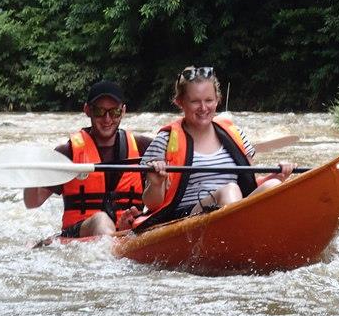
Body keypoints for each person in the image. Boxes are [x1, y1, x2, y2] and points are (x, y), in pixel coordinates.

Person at [137, 66, 294, 229]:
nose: (203, 108)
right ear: (180, 103)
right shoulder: (165, 141)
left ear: (217, 99)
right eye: (195, 101)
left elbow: (251, 184)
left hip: (234, 209)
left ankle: (249, 236)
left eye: (209, 100)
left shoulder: (236, 134)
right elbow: (152, 205)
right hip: (185, 218)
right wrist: (156, 184)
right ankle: (241, 237)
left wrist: (278, 175)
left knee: (273, 185)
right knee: (229, 190)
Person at [24, 79, 151, 238]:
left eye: (114, 112)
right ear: (87, 110)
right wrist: (29, 178)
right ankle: (115, 243)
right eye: (99, 111)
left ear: (123, 111)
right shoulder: (67, 152)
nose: (107, 119)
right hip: (79, 232)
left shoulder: (144, 147)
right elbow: (32, 202)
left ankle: (121, 234)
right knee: (100, 220)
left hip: (128, 228)